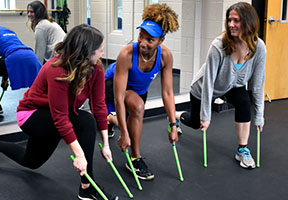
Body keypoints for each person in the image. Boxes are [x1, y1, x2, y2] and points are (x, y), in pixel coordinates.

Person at [0, 24, 119, 200]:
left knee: (31, 161)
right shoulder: (57, 68)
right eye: (100, 50)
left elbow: (99, 105)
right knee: (85, 121)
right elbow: (61, 117)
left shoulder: (96, 67)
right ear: (85, 52)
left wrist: (106, 144)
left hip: (56, 114)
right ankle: (87, 186)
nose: (102, 53)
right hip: (32, 115)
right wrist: (79, 154)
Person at [176, 2, 266, 169]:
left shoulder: (259, 48)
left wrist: (259, 114)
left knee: (243, 101)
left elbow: (258, 85)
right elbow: (209, 81)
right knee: (196, 123)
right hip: (204, 87)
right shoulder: (218, 45)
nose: (231, 24)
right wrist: (206, 116)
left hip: (232, 85)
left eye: (236, 20)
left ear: (249, 22)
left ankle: (242, 149)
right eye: (229, 20)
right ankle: (175, 116)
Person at [104, 3, 179, 180]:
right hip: (111, 86)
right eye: (141, 36)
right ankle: (135, 158)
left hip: (139, 92)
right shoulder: (127, 54)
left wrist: (174, 125)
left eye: (150, 40)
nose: (143, 43)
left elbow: (168, 93)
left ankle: (109, 119)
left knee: (135, 114)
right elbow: (119, 95)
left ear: (161, 41)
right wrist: (123, 134)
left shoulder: (165, 56)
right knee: (137, 109)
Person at [27, 0, 66, 65]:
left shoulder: (41, 26)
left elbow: (39, 54)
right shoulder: (49, 22)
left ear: (38, 12)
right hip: (63, 54)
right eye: (28, 11)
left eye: (31, 12)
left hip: (59, 55)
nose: (29, 14)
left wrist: (37, 73)